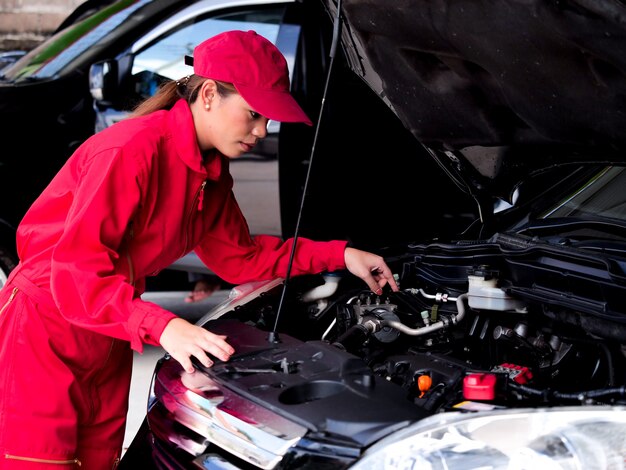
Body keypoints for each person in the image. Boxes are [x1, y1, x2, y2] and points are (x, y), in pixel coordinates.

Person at [0, 30, 398, 469]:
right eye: (253, 114)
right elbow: (74, 272)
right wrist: (165, 325)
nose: (262, 131)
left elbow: (241, 258)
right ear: (208, 94)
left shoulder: (211, 175)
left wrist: (340, 255)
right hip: (44, 332)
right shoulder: (131, 151)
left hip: (110, 331)